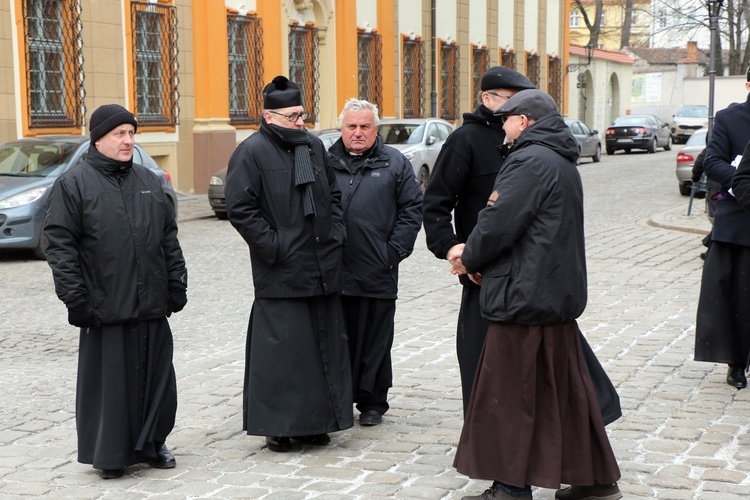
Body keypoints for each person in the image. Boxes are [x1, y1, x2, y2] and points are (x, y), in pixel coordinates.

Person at [453, 90, 621, 500]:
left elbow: (496, 223)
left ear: (524, 121)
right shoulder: (560, 160)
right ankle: (595, 481)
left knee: (511, 394)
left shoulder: (528, 161)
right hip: (552, 296)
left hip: (523, 297)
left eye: (506, 119)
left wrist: (469, 256)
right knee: (566, 393)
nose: (502, 126)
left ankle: (510, 487)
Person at [43, 104, 187, 479]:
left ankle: (154, 442)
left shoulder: (149, 180)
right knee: (111, 385)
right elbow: (60, 246)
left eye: (131, 133)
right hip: (106, 303)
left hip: (152, 301)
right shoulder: (74, 184)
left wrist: (176, 281)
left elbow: (167, 237)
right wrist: (75, 299)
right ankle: (110, 452)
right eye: (120, 134)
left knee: (157, 379)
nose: (128, 141)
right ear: (99, 139)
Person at [225, 76, 353, 452]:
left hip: (322, 264)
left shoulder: (313, 146)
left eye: (303, 114)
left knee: (319, 351)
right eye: (294, 116)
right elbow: (241, 209)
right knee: (283, 354)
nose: (302, 122)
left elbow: (332, 193)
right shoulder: (250, 153)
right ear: (269, 116)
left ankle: (316, 422)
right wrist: (274, 246)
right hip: (281, 269)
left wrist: (336, 233)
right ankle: (278, 426)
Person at [422, 66, 535, 414]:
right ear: (487, 99)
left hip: (527, 270)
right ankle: (482, 426)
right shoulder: (465, 140)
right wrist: (452, 247)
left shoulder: (529, 139)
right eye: (511, 99)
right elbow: (435, 203)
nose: (519, 107)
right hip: (481, 273)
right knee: (480, 352)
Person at [327, 99, 423, 426]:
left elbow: (412, 210)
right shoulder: (326, 163)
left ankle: (373, 402)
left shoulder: (394, 162)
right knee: (338, 339)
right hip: (335, 270)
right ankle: (338, 399)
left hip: (378, 268)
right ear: (341, 129)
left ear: (375, 129)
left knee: (376, 339)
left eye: (364, 126)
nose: (357, 133)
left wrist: (393, 252)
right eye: (351, 127)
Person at [695, 69, 750, 389]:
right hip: (738, 220)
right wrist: (744, 182)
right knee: (737, 298)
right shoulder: (729, 119)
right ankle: (736, 362)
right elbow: (712, 160)